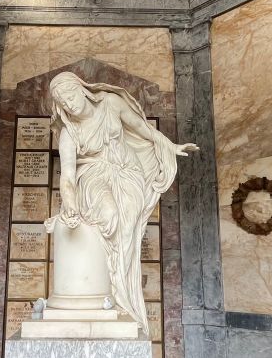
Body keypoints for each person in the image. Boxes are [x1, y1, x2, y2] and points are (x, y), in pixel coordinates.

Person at [45, 72, 197, 333]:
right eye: (63, 101)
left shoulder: (111, 103)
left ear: (82, 89)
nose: (69, 103)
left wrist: (170, 147)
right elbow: (68, 176)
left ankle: (121, 296)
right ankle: (104, 288)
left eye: (70, 94)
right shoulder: (69, 134)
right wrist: (69, 202)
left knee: (127, 234)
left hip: (129, 172)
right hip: (94, 174)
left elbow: (143, 130)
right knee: (108, 214)